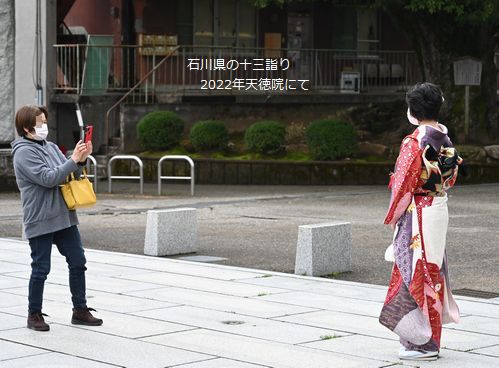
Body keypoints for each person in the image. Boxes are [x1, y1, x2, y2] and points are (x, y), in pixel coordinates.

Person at [379, 83, 461, 361]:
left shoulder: (414, 142)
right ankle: (426, 338)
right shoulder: (444, 139)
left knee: (413, 272)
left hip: (418, 214)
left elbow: (402, 185)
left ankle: (422, 343)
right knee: (431, 272)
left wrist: (392, 215)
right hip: (438, 207)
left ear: (412, 111)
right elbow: (449, 179)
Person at [11, 105, 103, 331]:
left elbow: (70, 173)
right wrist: (72, 160)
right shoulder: (23, 152)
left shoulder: (51, 147)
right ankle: (34, 314)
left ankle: (80, 309)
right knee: (41, 268)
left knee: (78, 261)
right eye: (40, 123)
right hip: (40, 217)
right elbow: (48, 177)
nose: (44, 126)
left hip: (64, 215)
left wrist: (81, 159)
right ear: (26, 127)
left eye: (44, 121)